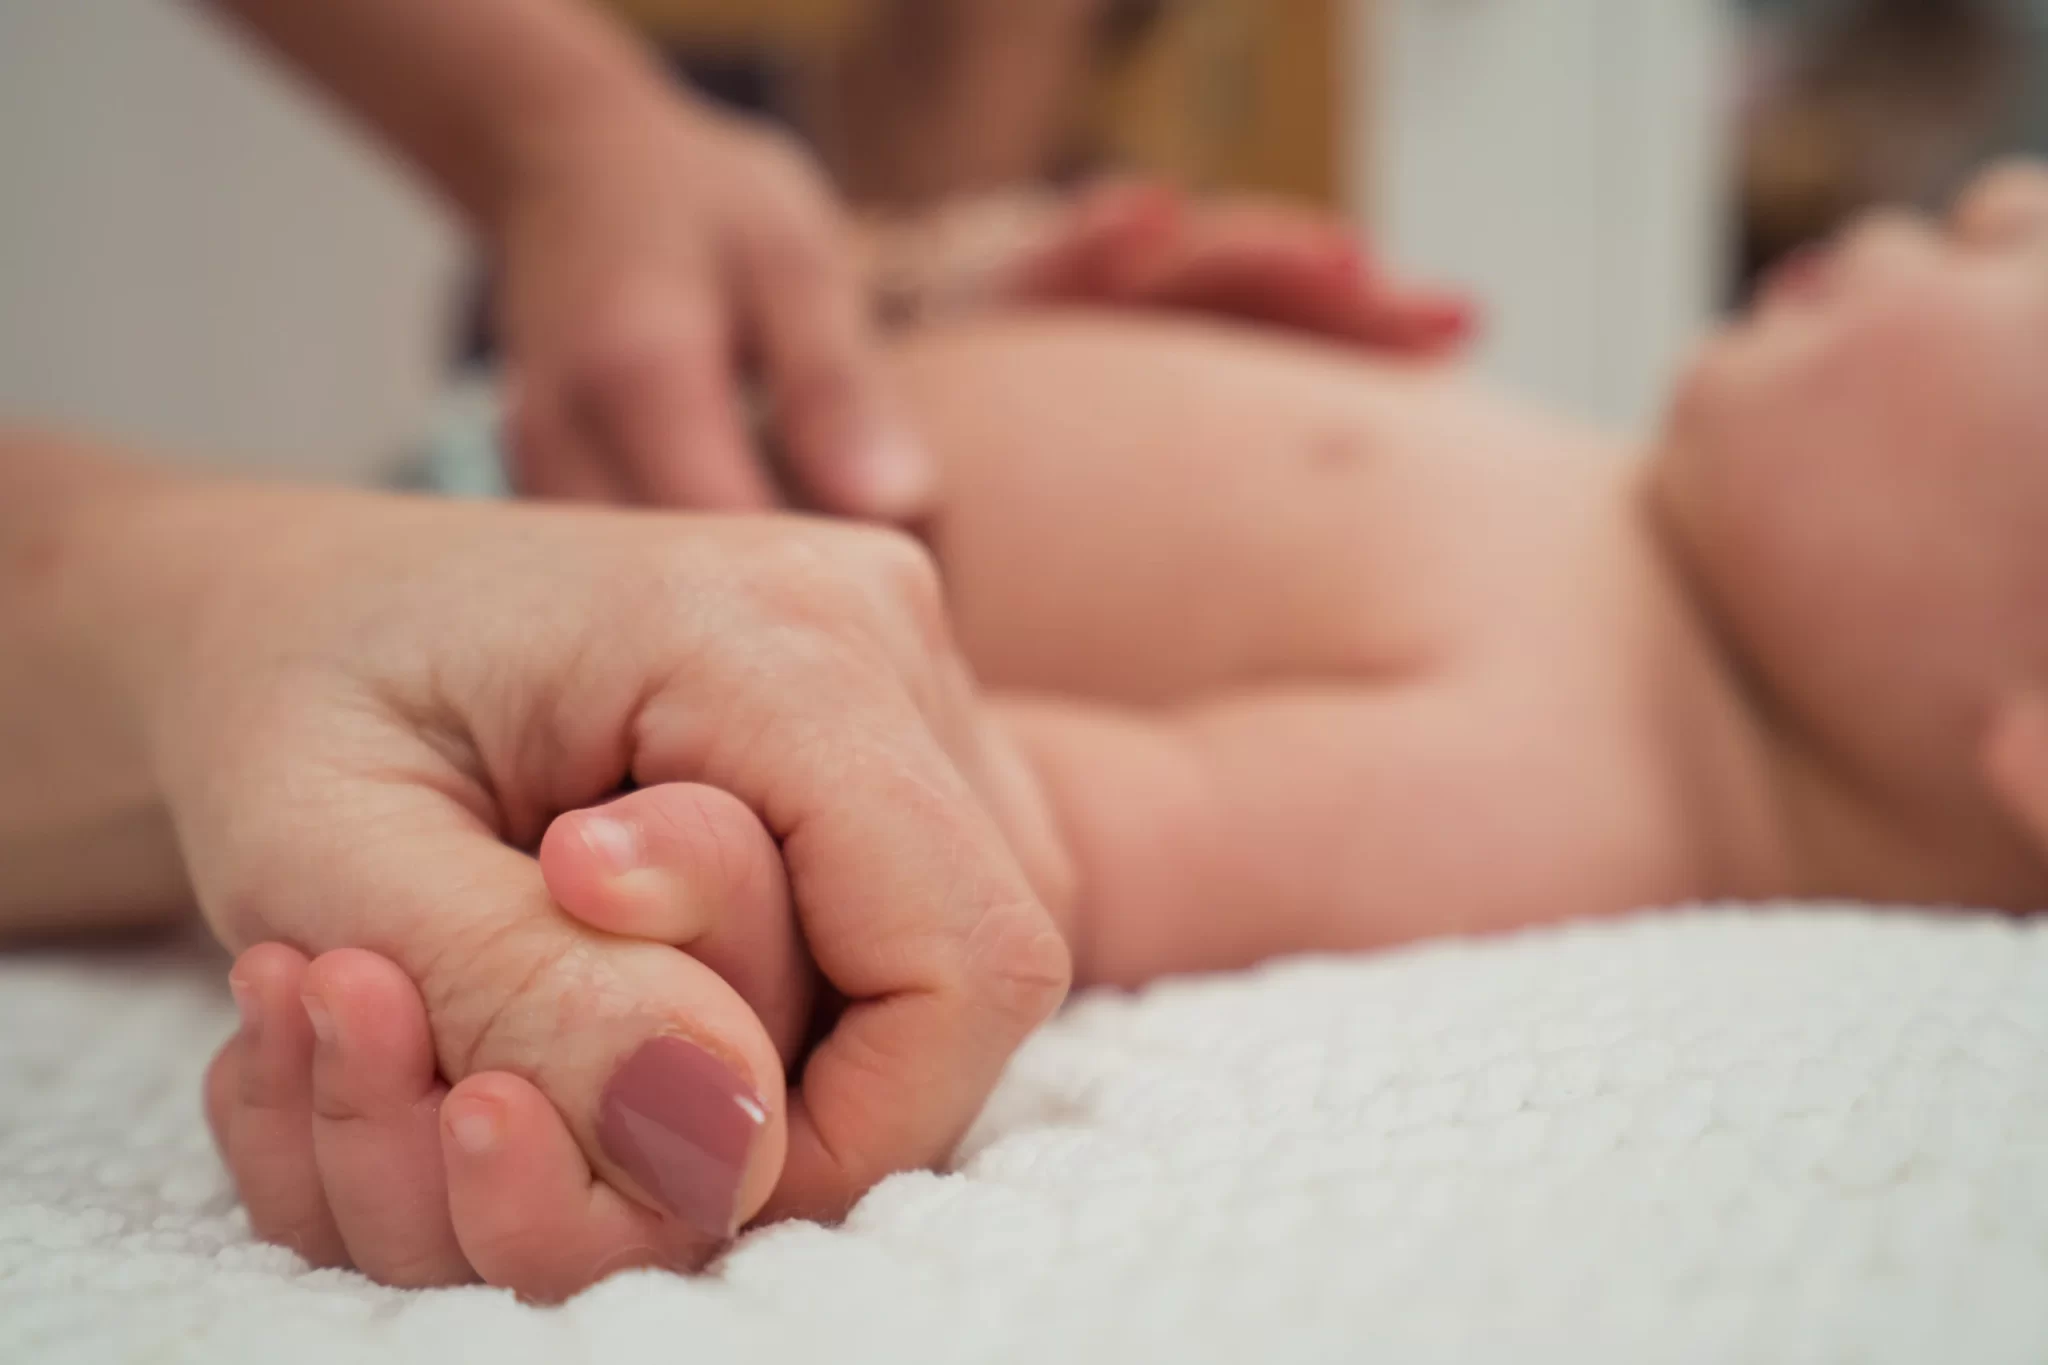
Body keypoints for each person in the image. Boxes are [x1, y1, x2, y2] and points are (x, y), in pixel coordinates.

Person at [196, 159, 2048, 1300]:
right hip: (606, 446)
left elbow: (1051, 835)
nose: (1945, 214)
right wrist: (957, 308)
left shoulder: (1574, 776)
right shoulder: (1635, 530)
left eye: (2019, 243)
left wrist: (720, 877)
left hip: (506, 639)